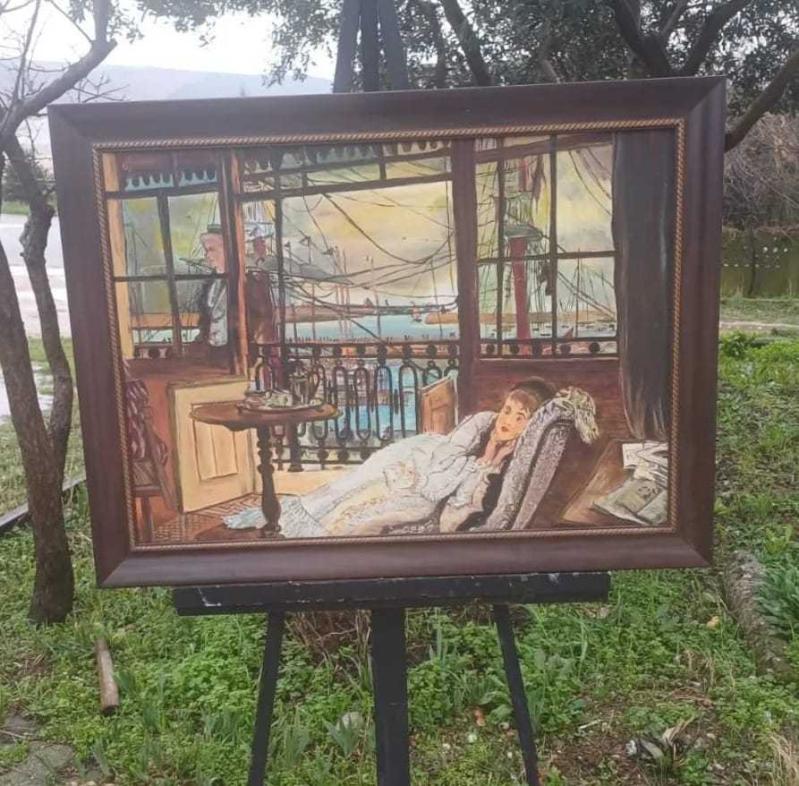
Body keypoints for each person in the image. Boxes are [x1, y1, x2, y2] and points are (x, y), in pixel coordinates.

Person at [246, 378, 558, 538]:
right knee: (358, 480)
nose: (508, 420)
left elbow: (454, 496)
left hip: (428, 487)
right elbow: (444, 454)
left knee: (366, 508)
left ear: (530, 425)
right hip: (424, 458)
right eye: (508, 410)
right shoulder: (483, 423)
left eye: (520, 418)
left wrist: (491, 455)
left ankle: (318, 537)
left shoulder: (505, 457)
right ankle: (291, 519)